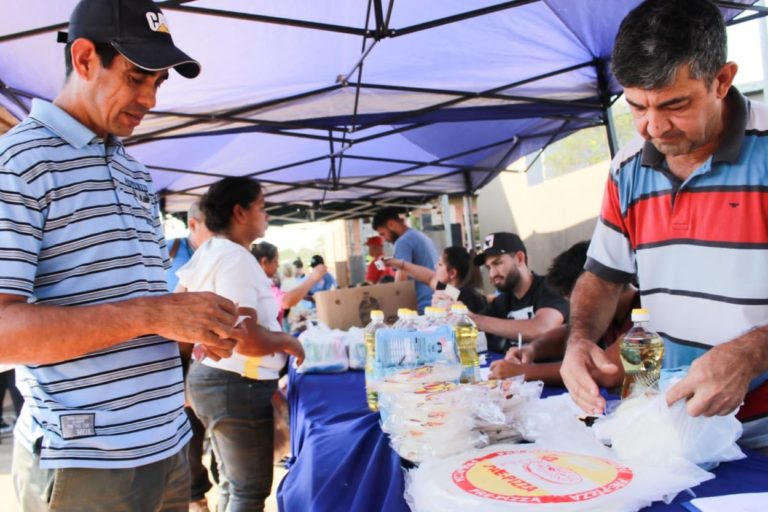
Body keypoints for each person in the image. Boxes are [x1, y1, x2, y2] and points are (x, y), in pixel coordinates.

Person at [0, 1, 286, 509]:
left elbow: (137, 312)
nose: (150, 98)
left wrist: (196, 325)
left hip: (169, 445)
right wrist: (154, 313)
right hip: (84, 459)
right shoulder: (19, 164)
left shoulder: (134, 175)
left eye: (159, 83)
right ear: (85, 59)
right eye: (137, 78)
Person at [559, 0, 768, 451]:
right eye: (636, 106)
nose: (653, 127)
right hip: (673, 428)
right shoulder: (626, 169)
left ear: (722, 80)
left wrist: (752, 353)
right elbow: (602, 276)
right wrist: (578, 341)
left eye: (675, 105)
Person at [178, 177, 305, 511]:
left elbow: (180, 304)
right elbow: (245, 338)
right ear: (240, 212)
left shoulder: (209, 251)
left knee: (236, 485)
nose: (267, 216)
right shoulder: (235, 258)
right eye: (262, 208)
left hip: (218, 379)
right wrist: (289, 342)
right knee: (249, 490)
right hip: (235, 384)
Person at [489, 241, 637, 386]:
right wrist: (532, 349)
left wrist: (524, 372)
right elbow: (569, 334)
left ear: (597, 288)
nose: (575, 312)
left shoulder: (645, 316)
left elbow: (608, 371)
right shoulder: (608, 312)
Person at [470, 233, 569, 353]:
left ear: (519, 258)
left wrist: (474, 320)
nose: (492, 274)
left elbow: (543, 328)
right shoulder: (502, 301)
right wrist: (454, 315)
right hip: (512, 369)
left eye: (497, 263)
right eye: (488, 267)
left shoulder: (550, 287)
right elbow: (471, 332)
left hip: (550, 370)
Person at [372, 207, 439, 313]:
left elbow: (400, 284)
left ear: (391, 224)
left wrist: (391, 306)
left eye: (383, 234)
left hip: (422, 305)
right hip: (435, 300)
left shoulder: (403, 241)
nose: (384, 239)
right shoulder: (419, 235)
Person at [385, 246, 488, 313]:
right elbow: (429, 278)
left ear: (452, 273)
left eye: (440, 264)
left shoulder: (461, 294)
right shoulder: (454, 291)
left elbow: (431, 278)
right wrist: (400, 264)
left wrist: (401, 265)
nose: (435, 267)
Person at [251, 241, 329, 324]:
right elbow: (285, 301)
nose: (277, 265)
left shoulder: (264, 283)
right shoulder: (261, 285)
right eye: (275, 261)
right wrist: (312, 278)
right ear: (264, 262)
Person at [166, 200, 213, 292]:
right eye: (212, 225)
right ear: (192, 225)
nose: (219, 231)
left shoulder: (219, 252)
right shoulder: (169, 247)